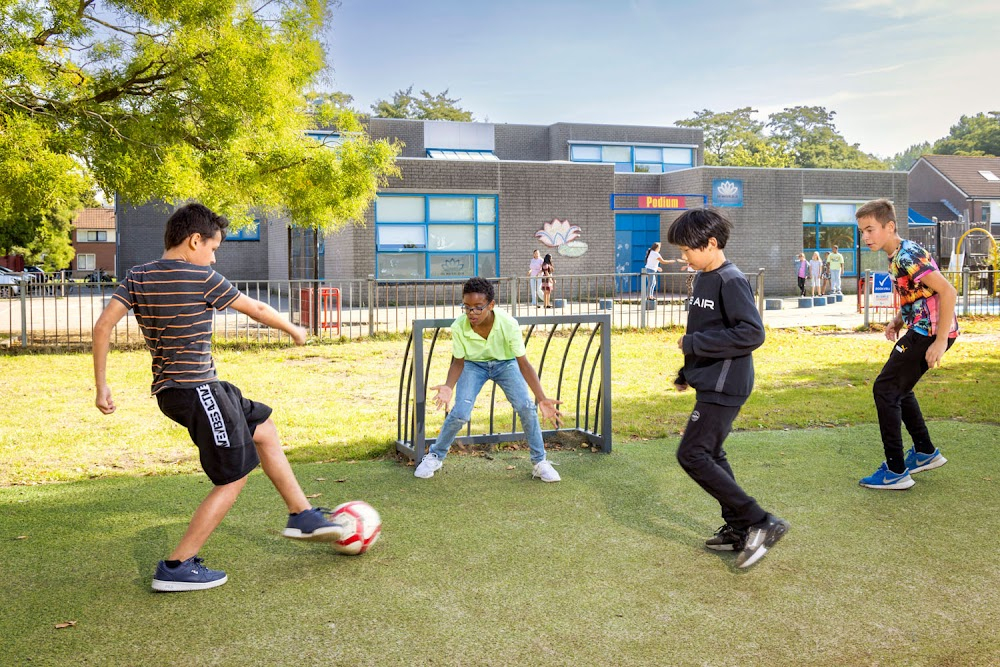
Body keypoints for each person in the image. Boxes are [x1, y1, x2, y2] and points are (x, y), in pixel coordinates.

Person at [92, 203, 345, 593]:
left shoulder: (137, 276)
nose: (214, 256)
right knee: (234, 473)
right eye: (213, 248)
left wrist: (102, 385)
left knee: (263, 428)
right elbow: (257, 308)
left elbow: (103, 326)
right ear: (194, 241)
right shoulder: (202, 276)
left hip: (181, 391)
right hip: (197, 390)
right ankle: (177, 566)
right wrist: (295, 329)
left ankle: (303, 515)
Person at [666, 208, 789, 569]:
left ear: (711, 243)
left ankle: (760, 521)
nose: (683, 256)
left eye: (688, 249)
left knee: (692, 454)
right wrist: (687, 371)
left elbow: (752, 333)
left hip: (728, 383)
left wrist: (693, 345)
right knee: (713, 453)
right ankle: (738, 529)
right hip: (711, 380)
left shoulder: (730, 279)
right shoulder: (704, 277)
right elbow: (710, 328)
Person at [413, 277, 563, 482]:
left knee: (526, 407)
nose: (471, 313)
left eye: (478, 307)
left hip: (506, 363)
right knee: (460, 413)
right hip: (473, 365)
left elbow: (524, 363)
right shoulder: (459, 326)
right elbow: (458, 362)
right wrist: (448, 386)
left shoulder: (508, 324)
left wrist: (542, 398)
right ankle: (435, 456)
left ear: (491, 305)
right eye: (466, 307)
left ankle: (540, 462)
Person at [855, 199, 958, 490]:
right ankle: (925, 452)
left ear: (890, 227)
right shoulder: (897, 255)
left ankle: (896, 471)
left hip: (929, 333)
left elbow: (948, 292)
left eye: (871, 230)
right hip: (922, 328)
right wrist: (899, 319)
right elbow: (920, 293)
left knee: (885, 389)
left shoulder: (907, 256)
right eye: (862, 231)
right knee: (899, 388)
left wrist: (939, 341)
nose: (866, 237)